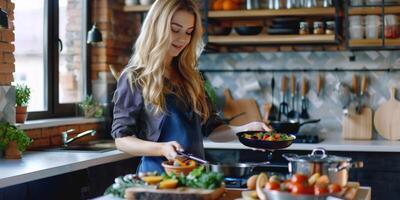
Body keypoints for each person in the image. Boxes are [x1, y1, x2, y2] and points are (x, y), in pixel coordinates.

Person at [111, 0, 269, 174]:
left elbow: (213, 130)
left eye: (189, 32)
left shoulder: (192, 78)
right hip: (156, 178)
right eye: (175, 29)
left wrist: (245, 130)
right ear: (156, 27)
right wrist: (162, 148)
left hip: (196, 177)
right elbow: (122, 140)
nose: (183, 39)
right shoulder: (135, 77)